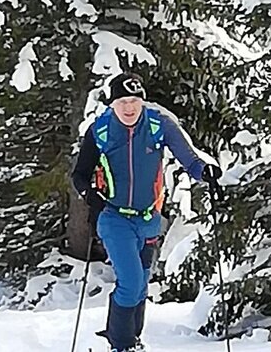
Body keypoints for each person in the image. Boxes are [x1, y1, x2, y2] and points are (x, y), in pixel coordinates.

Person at [70, 72, 221, 352]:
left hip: (149, 219)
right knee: (130, 282)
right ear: (112, 104)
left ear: (142, 101)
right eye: (122, 102)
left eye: (134, 101)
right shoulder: (100, 130)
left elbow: (189, 159)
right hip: (114, 218)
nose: (129, 108)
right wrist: (90, 196)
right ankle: (121, 345)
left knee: (140, 286)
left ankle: (132, 341)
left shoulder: (158, 125)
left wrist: (205, 173)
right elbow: (79, 174)